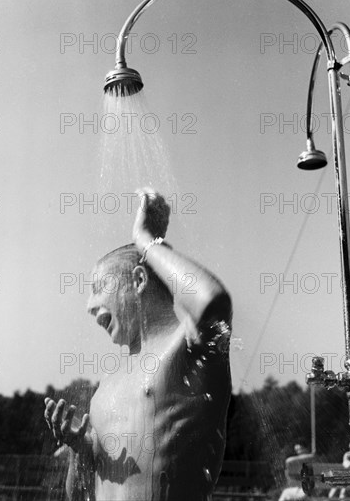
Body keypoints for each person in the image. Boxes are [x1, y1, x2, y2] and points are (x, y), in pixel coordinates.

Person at [44, 188, 233, 501]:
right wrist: (79, 451)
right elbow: (80, 497)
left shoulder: (187, 348)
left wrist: (146, 241)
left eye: (99, 287)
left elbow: (212, 300)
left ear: (139, 281)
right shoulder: (106, 388)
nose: (90, 305)